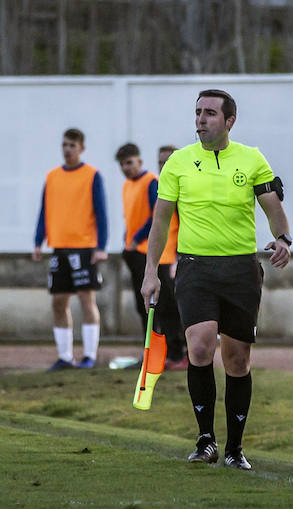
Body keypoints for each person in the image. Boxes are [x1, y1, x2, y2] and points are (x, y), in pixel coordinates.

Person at [141, 89, 293, 471]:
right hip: (195, 269)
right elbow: (160, 221)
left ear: (229, 121)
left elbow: (273, 206)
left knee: (237, 359)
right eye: (197, 112)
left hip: (241, 270)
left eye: (209, 113)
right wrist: (151, 273)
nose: (201, 119)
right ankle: (205, 438)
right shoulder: (177, 162)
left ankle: (235, 448)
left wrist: (283, 238)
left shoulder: (252, 158)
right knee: (200, 346)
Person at [33, 128, 108, 371]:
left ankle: (89, 356)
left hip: (84, 247)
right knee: (58, 302)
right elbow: (44, 210)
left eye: (72, 145)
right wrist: (38, 240)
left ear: (81, 148)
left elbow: (101, 212)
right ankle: (65, 356)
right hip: (59, 247)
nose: (67, 149)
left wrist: (101, 246)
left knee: (87, 299)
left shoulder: (92, 175)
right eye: (64, 145)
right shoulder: (52, 176)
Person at [117, 143, 187, 370]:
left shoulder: (159, 185)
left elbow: (159, 220)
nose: (164, 165)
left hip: (164, 257)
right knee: (146, 308)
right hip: (142, 256)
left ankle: (177, 354)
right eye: (161, 162)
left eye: (168, 161)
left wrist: (177, 257)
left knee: (168, 308)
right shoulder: (135, 185)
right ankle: (154, 354)